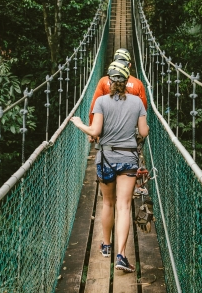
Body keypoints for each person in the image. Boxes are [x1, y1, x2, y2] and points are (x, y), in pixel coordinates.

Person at [71, 60, 149, 273]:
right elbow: (143, 133)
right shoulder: (137, 103)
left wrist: (79, 124)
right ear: (126, 80)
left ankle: (106, 245)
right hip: (129, 158)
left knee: (108, 203)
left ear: (109, 79)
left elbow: (95, 131)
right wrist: (144, 125)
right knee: (124, 206)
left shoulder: (101, 102)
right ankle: (121, 256)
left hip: (106, 158)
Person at [88, 48, 147, 127]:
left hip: (106, 128)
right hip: (130, 129)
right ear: (129, 65)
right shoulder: (138, 84)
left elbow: (94, 107)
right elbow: (143, 108)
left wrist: (92, 126)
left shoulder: (103, 81)